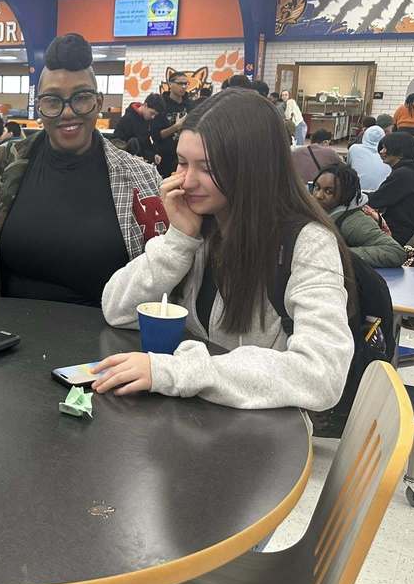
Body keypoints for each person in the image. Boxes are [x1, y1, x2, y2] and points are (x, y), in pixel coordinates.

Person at [94, 88, 353, 411]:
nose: (186, 182)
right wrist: (178, 241)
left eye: (207, 168)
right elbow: (117, 310)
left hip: (261, 443)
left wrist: (176, 371)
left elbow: (323, 374)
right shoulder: (200, 224)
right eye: (182, 163)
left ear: (253, 168)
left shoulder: (307, 243)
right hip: (192, 427)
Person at [0, 33, 162, 306]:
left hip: (111, 344)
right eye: (53, 100)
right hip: (6, 338)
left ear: (98, 103)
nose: (67, 112)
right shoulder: (0, 165)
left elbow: (164, 274)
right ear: (40, 108)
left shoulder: (142, 179)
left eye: (81, 97)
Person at [311, 163, 407, 268]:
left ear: (345, 194)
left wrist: (335, 253)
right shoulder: (322, 211)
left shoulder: (352, 221)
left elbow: (395, 252)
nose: (318, 195)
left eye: (329, 192)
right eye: (317, 187)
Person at [368, 131, 414, 247]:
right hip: (404, 230)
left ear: (400, 153)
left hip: (398, 235)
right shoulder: (408, 171)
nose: (381, 152)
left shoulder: (403, 174)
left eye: (385, 148)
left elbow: (376, 200)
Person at [152, 77, 192, 178]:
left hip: (185, 155)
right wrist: (176, 127)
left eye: (186, 84)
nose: (184, 87)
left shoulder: (190, 105)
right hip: (165, 157)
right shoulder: (161, 104)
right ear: (170, 84)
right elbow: (156, 135)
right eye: (180, 83)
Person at [112, 98, 158, 163]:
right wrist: (132, 156)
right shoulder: (127, 119)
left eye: (155, 115)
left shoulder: (147, 121)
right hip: (126, 161)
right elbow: (116, 142)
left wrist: (153, 156)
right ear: (145, 105)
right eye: (152, 113)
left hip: (141, 161)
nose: (153, 117)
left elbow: (145, 143)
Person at [347, 125, 390, 192]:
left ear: (365, 136)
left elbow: (348, 166)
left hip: (359, 192)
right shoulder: (388, 153)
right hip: (382, 193)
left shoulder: (354, 149)